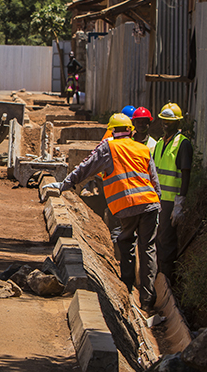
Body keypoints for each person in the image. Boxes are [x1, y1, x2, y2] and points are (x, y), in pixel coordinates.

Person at [44, 113, 161, 313]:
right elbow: (154, 180)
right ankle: (148, 300)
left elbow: (86, 167)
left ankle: (127, 289)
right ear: (131, 130)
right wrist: (158, 201)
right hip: (150, 203)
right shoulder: (142, 148)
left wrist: (65, 184)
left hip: (127, 205)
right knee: (148, 248)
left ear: (112, 130)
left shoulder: (109, 147)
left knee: (126, 243)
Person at [153, 103, 193, 285]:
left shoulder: (182, 144)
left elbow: (185, 174)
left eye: (169, 122)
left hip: (170, 202)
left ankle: (167, 282)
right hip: (157, 200)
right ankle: (159, 280)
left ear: (178, 122)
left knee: (167, 242)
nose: (165, 125)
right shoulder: (160, 143)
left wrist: (180, 203)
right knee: (158, 242)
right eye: (163, 121)